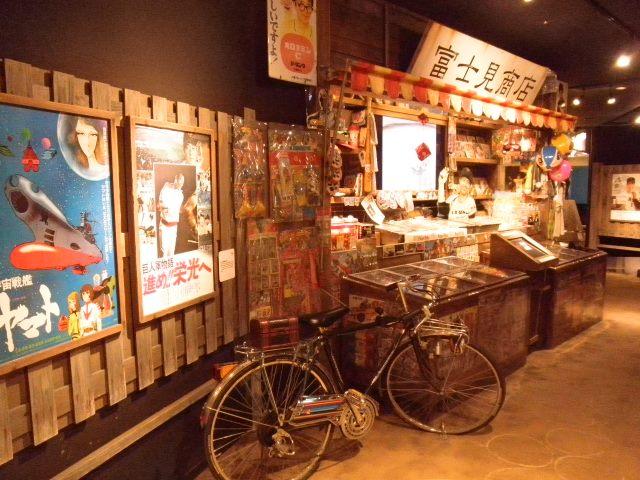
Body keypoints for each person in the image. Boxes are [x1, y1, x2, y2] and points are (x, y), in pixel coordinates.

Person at [157, 173, 185, 257]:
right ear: (175, 180)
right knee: (163, 251)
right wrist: (162, 206)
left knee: (171, 252)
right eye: (179, 183)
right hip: (164, 225)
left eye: (182, 183)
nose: (180, 185)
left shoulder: (181, 195)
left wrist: (165, 207)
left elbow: (173, 209)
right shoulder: (166, 186)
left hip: (173, 227)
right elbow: (161, 203)